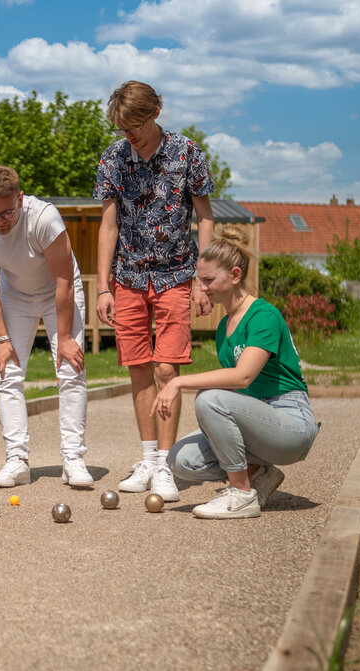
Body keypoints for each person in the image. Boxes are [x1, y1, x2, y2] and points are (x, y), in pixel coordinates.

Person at [93, 80, 216, 503]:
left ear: (156, 112)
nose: (129, 133)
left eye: (136, 125)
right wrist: (102, 286)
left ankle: (165, 465)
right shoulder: (112, 158)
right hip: (127, 277)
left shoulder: (187, 152)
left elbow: (205, 219)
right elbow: (108, 225)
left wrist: (202, 278)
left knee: (169, 370)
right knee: (138, 368)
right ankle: (147, 460)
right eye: (123, 127)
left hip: (176, 274)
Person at [153, 226, 319, 518]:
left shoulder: (263, 315)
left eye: (208, 281)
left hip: (290, 421)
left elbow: (243, 377)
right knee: (180, 460)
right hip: (257, 419)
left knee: (209, 399)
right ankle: (261, 474)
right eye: (198, 280)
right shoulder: (224, 327)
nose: (201, 288)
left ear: (235, 275)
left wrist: (178, 381)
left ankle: (242, 493)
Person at [0, 165, 92, 489]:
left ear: (20, 198)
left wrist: (64, 338)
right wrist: (2, 339)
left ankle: (73, 459)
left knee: (70, 369)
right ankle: (17, 461)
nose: (0, 220)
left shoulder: (44, 218)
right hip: (13, 293)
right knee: (6, 372)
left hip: (57, 292)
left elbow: (64, 280)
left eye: (8, 211)